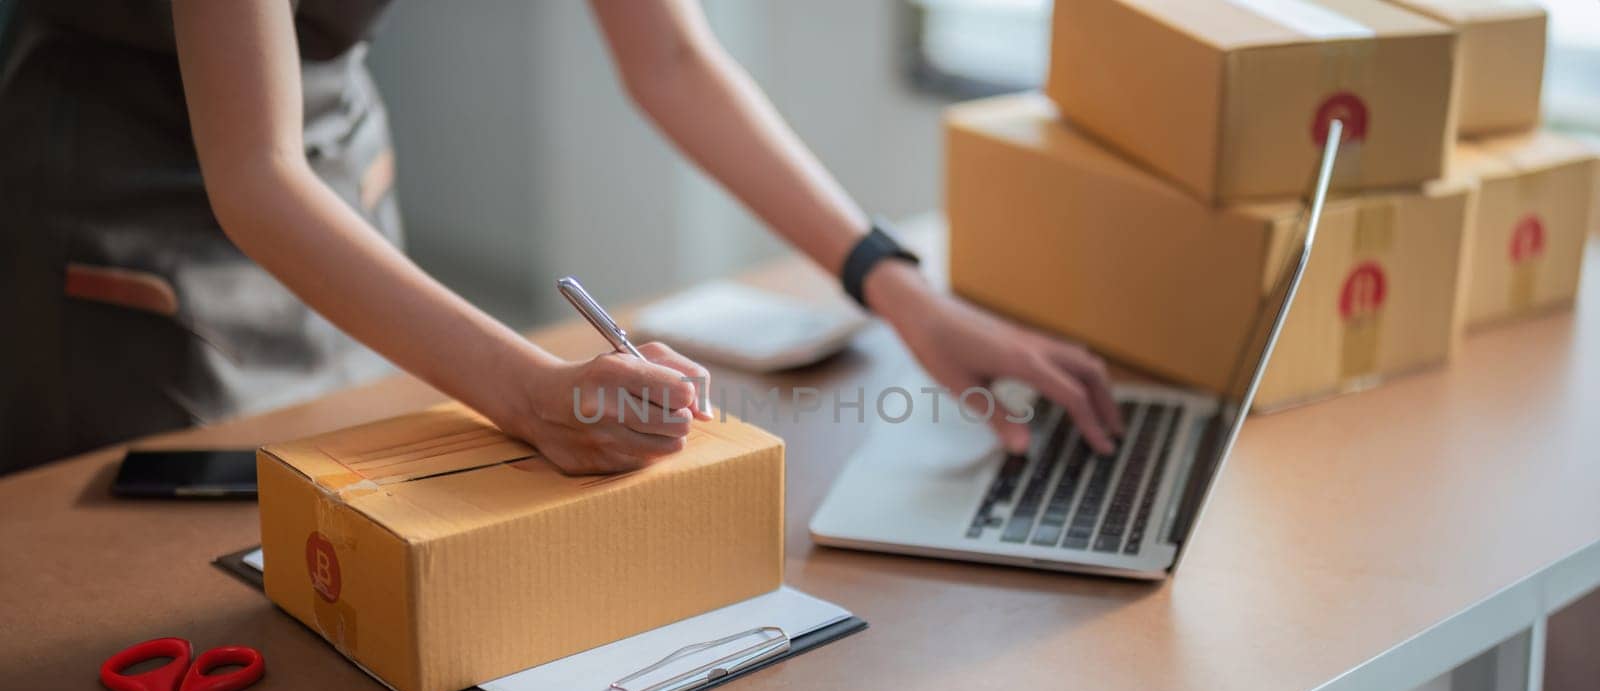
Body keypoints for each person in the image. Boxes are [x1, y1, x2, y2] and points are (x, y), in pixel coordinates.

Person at [0, 0, 1122, 477]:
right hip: (127, 176)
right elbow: (255, 175)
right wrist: (529, 387)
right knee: (144, 559)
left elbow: (672, 59)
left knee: (346, 512)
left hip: (330, 135)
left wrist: (900, 290)